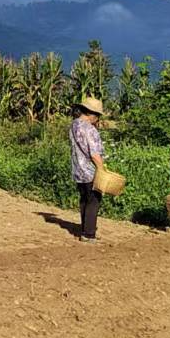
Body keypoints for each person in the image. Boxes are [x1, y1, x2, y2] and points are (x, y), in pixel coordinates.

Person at [69, 96, 107, 242]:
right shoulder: (89, 129)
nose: (97, 119)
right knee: (94, 200)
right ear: (91, 114)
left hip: (77, 168)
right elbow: (94, 153)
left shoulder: (74, 125)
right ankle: (89, 233)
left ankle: (84, 228)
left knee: (84, 199)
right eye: (97, 115)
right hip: (90, 170)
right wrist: (101, 169)